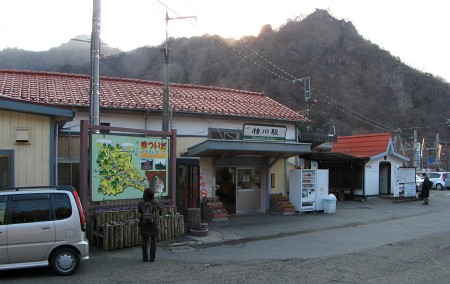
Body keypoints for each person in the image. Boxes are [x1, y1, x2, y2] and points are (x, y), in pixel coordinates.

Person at [138, 187, 160, 262]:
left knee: (144, 240)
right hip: (153, 222)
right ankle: (152, 258)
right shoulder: (155, 202)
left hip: (144, 222)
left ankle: (145, 257)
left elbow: (140, 211)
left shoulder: (141, 203)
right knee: (153, 239)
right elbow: (159, 209)